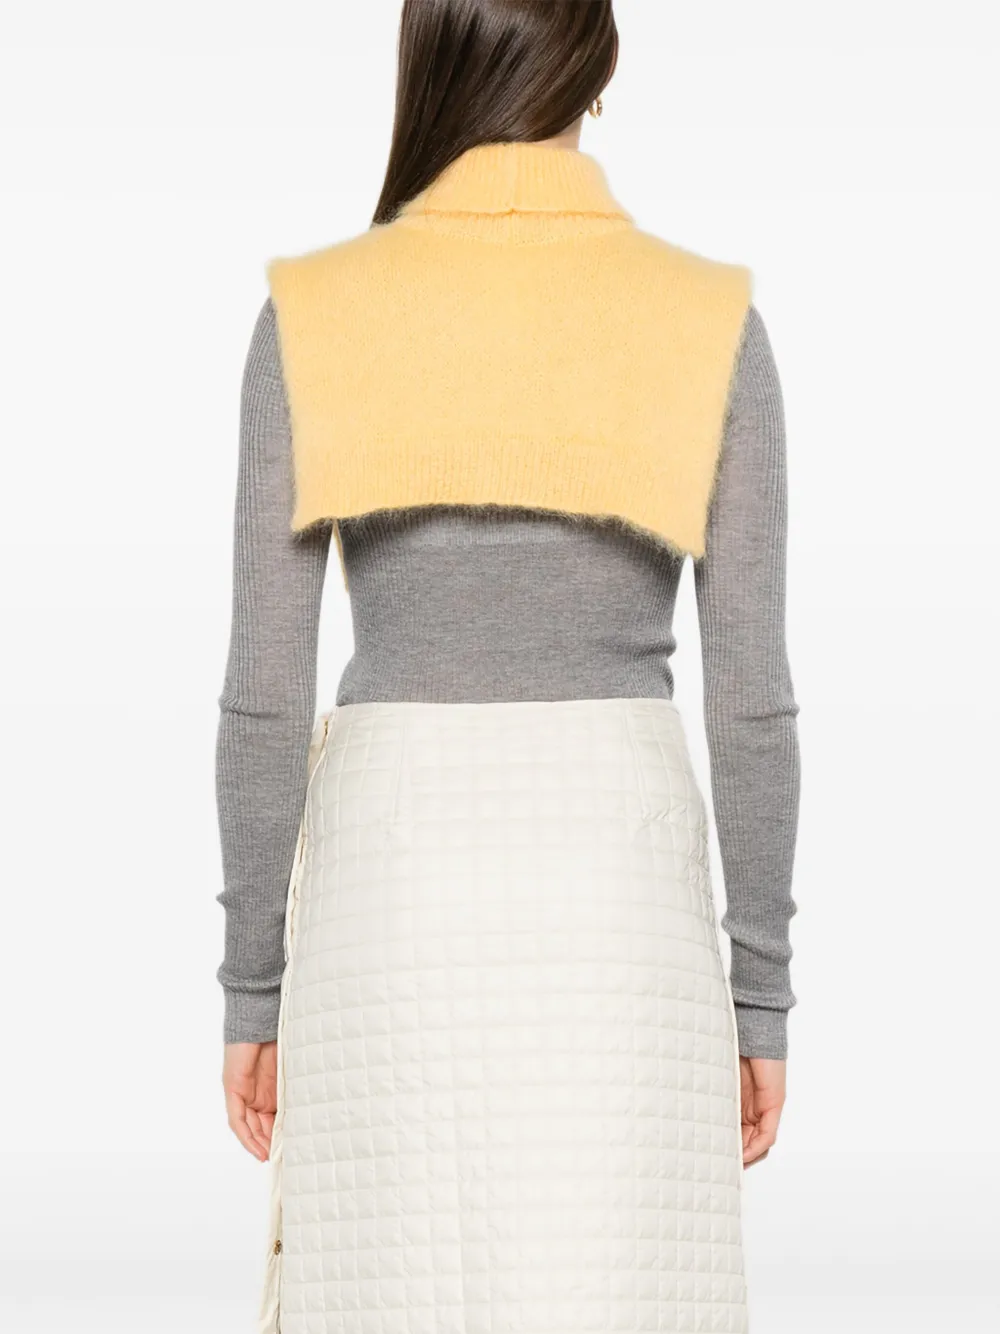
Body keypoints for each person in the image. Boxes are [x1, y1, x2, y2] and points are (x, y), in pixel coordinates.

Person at [214, 2, 801, 1330]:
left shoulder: (313, 315)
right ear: (599, 65)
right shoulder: (709, 320)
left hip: (390, 879)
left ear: (429, 54)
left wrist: (254, 983)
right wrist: (759, 995)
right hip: (619, 883)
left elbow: (263, 694)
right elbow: (754, 707)